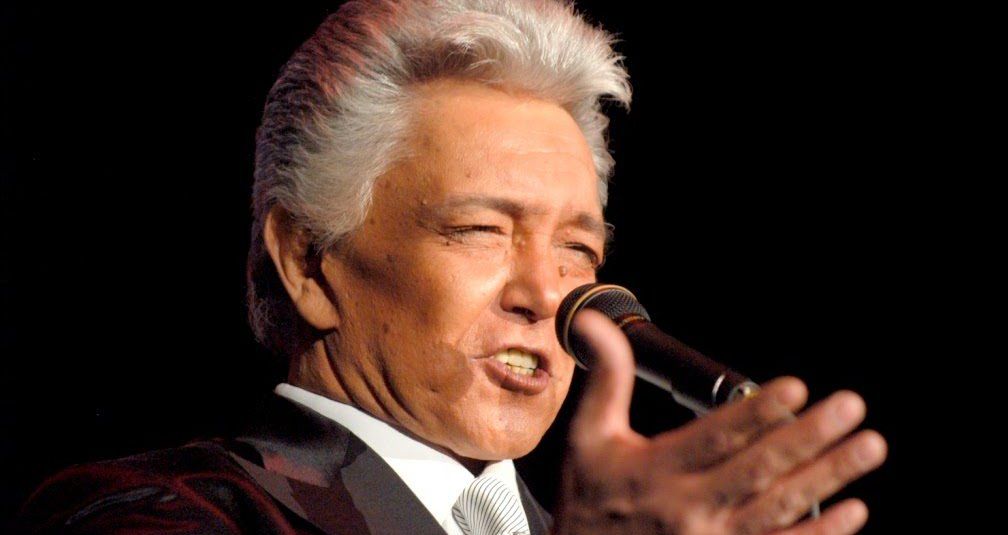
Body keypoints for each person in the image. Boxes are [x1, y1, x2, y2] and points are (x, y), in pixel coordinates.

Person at [15, 1, 888, 534]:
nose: (547, 295)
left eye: (578, 250)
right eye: (479, 229)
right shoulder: (156, 513)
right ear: (309, 262)